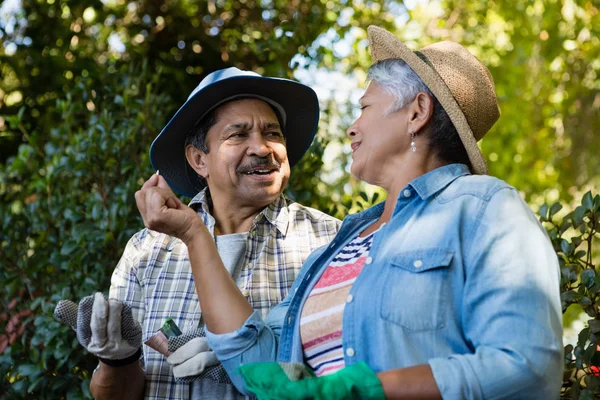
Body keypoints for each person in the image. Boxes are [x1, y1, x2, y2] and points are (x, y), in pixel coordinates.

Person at [134, 26, 563, 399]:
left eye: (365, 108)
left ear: (417, 111)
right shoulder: (345, 243)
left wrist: (374, 389)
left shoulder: (485, 209)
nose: (352, 127)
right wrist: (193, 233)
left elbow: (527, 365)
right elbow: (259, 365)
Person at [54, 67, 340, 400]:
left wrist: (238, 364)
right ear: (199, 160)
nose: (262, 148)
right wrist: (119, 359)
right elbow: (114, 395)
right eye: (238, 134)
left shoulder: (328, 241)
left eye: (272, 133)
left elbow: (345, 377)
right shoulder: (147, 250)